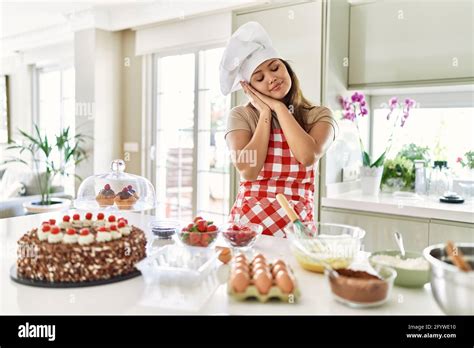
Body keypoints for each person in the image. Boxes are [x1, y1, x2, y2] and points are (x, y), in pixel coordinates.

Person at [220, 22, 337, 237]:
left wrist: (278, 108)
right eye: (259, 78)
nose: (271, 78)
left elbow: (307, 156)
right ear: (251, 88)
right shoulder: (241, 116)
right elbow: (249, 170)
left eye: (275, 68)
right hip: (248, 230)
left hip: (296, 228)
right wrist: (265, 114)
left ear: (287, 68)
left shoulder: (319, 115)